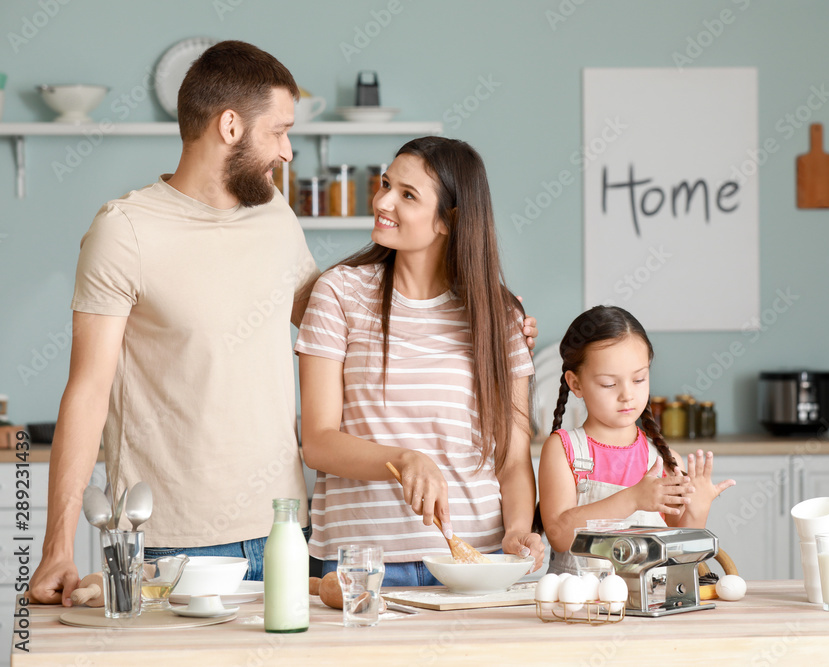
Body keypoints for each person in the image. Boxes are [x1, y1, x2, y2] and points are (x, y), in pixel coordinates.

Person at [28, 40, 538, 605]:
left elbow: (325, 311)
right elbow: (87, 391)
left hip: (283, 530)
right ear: (229, 127)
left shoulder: (271, 211)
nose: (288, 151)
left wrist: (492, 324)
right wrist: (57, 547)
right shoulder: (123, 230)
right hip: (174, 538)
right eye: (278, 130)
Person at [295, 137, 545, 585]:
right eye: (386, 184)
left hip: (473, 559)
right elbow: (317, 441)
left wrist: (518, 532)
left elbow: (511, 456)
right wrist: (405, 459)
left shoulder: (499, 315)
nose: (383, 201)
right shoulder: (339, 293)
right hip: (361, 561)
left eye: (407, 195)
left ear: (449, 221)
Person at [537, 306, 734, 574]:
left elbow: (680, 553)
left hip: (650, 607)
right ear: (576, 384)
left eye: (639, 379)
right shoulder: (563, 450)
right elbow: (559, 535)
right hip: (584, 609)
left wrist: (698, 510)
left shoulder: (664, 459)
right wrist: (632, 499)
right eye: (609, 384)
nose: (627, 395)